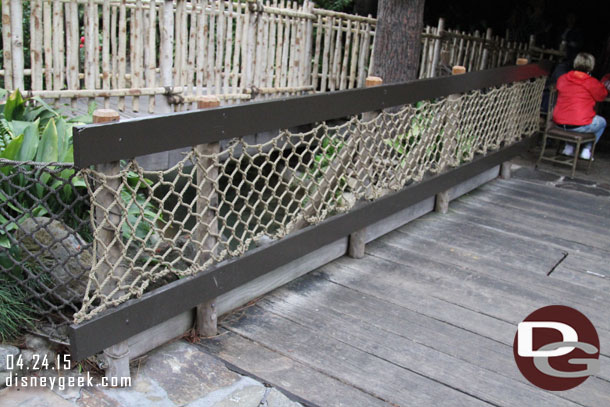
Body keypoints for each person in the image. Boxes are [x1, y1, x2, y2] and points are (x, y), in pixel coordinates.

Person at [553, 53, 608, 160]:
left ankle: (569, 147)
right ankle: (587, 150)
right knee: (602, 122)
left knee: (571, 117)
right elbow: (602, 96)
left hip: (559, 123)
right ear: (591, 66)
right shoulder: (592, 82)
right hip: (579, 125)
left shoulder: (563, 78)